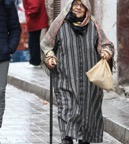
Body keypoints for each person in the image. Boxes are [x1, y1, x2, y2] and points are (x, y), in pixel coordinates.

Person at [40, 0, 114, 143]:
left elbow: (107, 44)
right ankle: (66, 139)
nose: (78, 7)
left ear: (87, 8)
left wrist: (106, 51)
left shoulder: (93, 25)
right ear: (70, 6)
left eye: (82, 5)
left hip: (89, 82)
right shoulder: (60, 24)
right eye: (75, 4)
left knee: (87, 113)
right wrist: (49, 57)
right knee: (67, 109)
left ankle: (84, 139)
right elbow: (46, 45)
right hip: (65, 77)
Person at [0, 0, 21, 128]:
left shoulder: (7, 3)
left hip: (2, 56)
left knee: (0, 92)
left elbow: (15, 29)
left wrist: (9, 48)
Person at [23, 0, 48, 67]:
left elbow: (35, 6)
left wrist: (28, 13)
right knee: (36, 42)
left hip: (35, 22)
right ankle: (36, 62)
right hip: (38, 21)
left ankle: (35, 62)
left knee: (34, 42)